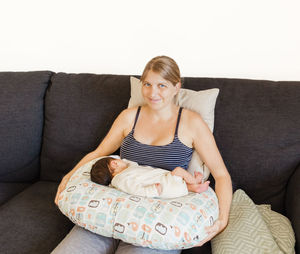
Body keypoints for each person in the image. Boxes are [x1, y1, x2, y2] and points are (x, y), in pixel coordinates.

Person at [53, 56, 232, 254]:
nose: (152, 93)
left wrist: (222, 221)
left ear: (176, 87)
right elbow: (99, 153)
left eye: (161, 85)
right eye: (147, 84)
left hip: (157, 223)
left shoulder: (192, 123)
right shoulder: (128, 117)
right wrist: (68, 177)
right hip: (112, 210)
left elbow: (221, 175)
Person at [90, 157, 210, 198]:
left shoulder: (126, 171)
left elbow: (131, 164)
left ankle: (195, 188)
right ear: (114, 163)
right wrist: (151, 191)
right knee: (178, 171)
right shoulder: (121, 180)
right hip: (161, 187)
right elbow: (135, 190)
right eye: (117, 160)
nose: (121, 160)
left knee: (179, 181)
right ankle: (195, 182)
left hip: (167, 184)